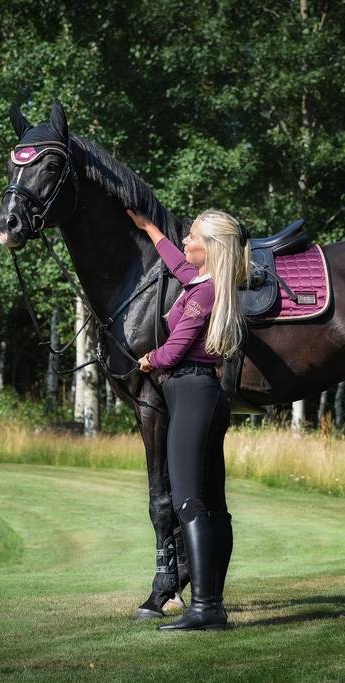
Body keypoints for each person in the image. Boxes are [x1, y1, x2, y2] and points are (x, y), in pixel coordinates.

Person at [125, 207, 250, 631]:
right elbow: (178, 264)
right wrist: (150, 229)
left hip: (191, 392)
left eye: (192, 236)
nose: (185, 242)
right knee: (213, 504)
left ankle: (205, 608)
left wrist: (147, 359)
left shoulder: (201, 294)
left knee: (187, 501)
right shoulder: (206, 283)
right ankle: (210, 604)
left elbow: (174, 351)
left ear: (211, 248)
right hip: (205, 394)